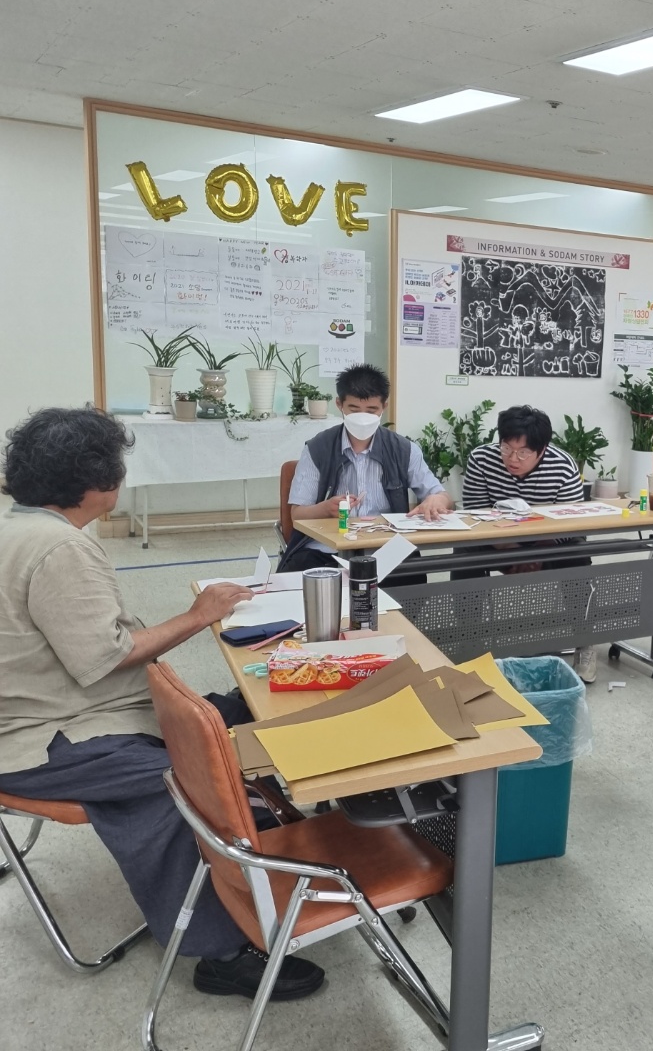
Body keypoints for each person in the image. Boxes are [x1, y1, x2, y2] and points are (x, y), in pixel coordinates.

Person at [0, 407, 325, 1000]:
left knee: (227, 715)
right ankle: (219, 952)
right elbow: (106, 657)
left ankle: (273, 852)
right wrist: (200, 616)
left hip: (63, 713)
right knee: (187, 781)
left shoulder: (21, 528)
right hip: (41, 738)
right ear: (96, 482)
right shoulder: (57, 546)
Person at [461, 405, 597, 682]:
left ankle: (585, 641)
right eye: (506, 448)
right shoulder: (481, 459)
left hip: (548, 541)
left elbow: (571, 523)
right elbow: (475, 513)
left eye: (523, 453)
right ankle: (470, 641)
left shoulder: (563, 465)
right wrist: (507, 548)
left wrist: (538, 552)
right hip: (497, 539)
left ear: (542, 449)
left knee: (578, 555)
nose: (512, 459)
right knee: (464, 554)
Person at [279, 363, 450, 573]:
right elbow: (297, 515)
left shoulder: (403, 450)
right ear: (339, 404)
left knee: (411, 577)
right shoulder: (317, 448)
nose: (362, 418)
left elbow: (441, 496)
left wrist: (436, 500)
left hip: (386, 547)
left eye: (371, 410)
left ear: (384, 406)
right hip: (327, 548)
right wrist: (325, 509)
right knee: (306, 574)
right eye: (353, 410)